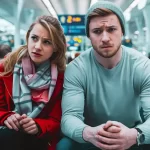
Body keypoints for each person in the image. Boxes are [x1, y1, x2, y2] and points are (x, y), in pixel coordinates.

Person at [57, 1, 150, 150]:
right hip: (91, 138)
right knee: (64, 146)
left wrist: (134, 135)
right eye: (97, 31)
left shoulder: (142, 66)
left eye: (112, 29)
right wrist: (90, 133)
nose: (105, 38)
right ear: (88, 35)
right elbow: (69, 118)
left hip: (132, 135)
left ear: (122, 32)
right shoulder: (77, 68)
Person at [0, 15, 66, 150]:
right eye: (34, 38)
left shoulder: (62, 78)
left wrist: (38, 125)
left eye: (47, 42)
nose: (37, 47)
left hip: (40, 141)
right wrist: (6, 117)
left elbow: (57, 120)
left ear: (56, 47)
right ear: (28, 38)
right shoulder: (6, 68)